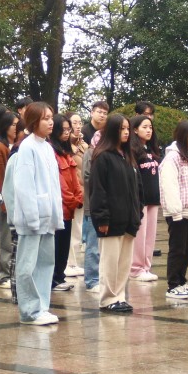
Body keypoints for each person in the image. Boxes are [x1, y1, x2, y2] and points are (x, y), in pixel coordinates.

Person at [1, 102, 64, 325]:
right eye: (46, 118)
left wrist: (56, 213)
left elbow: (53, 185)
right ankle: (29, 310)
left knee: (46, 263)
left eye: (51, 118)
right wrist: (31, 216)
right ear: (34, 121)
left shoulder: (47, 147)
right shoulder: (26, 147)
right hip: (32, 218)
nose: (51, 122)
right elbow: (24, 186)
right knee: (27, 266)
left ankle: (42, 307)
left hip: (48, 216)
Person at [88, 113, 139, 314]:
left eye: (127, 129)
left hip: (128, 219)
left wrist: (138, 213)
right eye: (121, 129)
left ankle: (119, 296)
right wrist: (102, 217)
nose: (126, 133)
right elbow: (98, 190)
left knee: (123, 263)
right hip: (110, 221)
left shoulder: (127, 156)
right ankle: (108, 299)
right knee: (110, 262)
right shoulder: (102, 157)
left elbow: (137, 189)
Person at [160, 120, 188, 301]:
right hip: (178, 212)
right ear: (182, 136)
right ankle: (173, 285)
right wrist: (175, 211)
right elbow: (169, 185)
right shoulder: (173, 158)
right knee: (177, 249)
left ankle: (182, 281)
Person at [48, 117, 84, 293]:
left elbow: (75, 179)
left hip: (70, 209)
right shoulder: (52, 152)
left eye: (68, 129)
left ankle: (60, 276)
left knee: (64, 245)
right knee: (57, 245)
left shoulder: (66, 153)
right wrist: (72, 200)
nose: (67, 132)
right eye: (63, 129)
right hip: (60, 208)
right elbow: (60, 184)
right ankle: (54, 278)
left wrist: (78, 197)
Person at [79, 101, 109, 293]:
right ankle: (91, 279)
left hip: (107, 205)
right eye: (99, 111)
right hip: (93, 204)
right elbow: (87, 177)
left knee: (104, 245)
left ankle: (101, 276)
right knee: (92, 244)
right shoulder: (90, 153)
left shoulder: (111, 154)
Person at [0, 111, 20, 291]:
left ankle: (8, 272)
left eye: (17, 124)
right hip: (3, 200)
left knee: (10, 240)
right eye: (13, 124)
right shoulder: (0, 148)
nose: (16, 128)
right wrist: (3, 201)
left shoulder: (13, 146)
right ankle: (1, 275)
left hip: (13, 199)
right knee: (2, 239)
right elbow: (0, 177)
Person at [128, 115, 161, 283]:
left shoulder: (152, 150)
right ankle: (136, 268)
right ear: (135, 130)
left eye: (150, 127)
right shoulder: (132, 151)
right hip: (140, 200)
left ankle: (146, 266)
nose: (149, 130)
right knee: (140, 236)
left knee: (150, 235)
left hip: (153, 198)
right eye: (144, 127)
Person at [65, 112, 88, 276]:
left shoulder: (84, 145)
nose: (78, 126)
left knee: (78, 228)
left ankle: (73, 262)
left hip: (83, 190)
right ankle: (67, 262)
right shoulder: (65, 146)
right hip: (71, 192)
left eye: (80, 122)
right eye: (74, 123)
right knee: (71, 228)